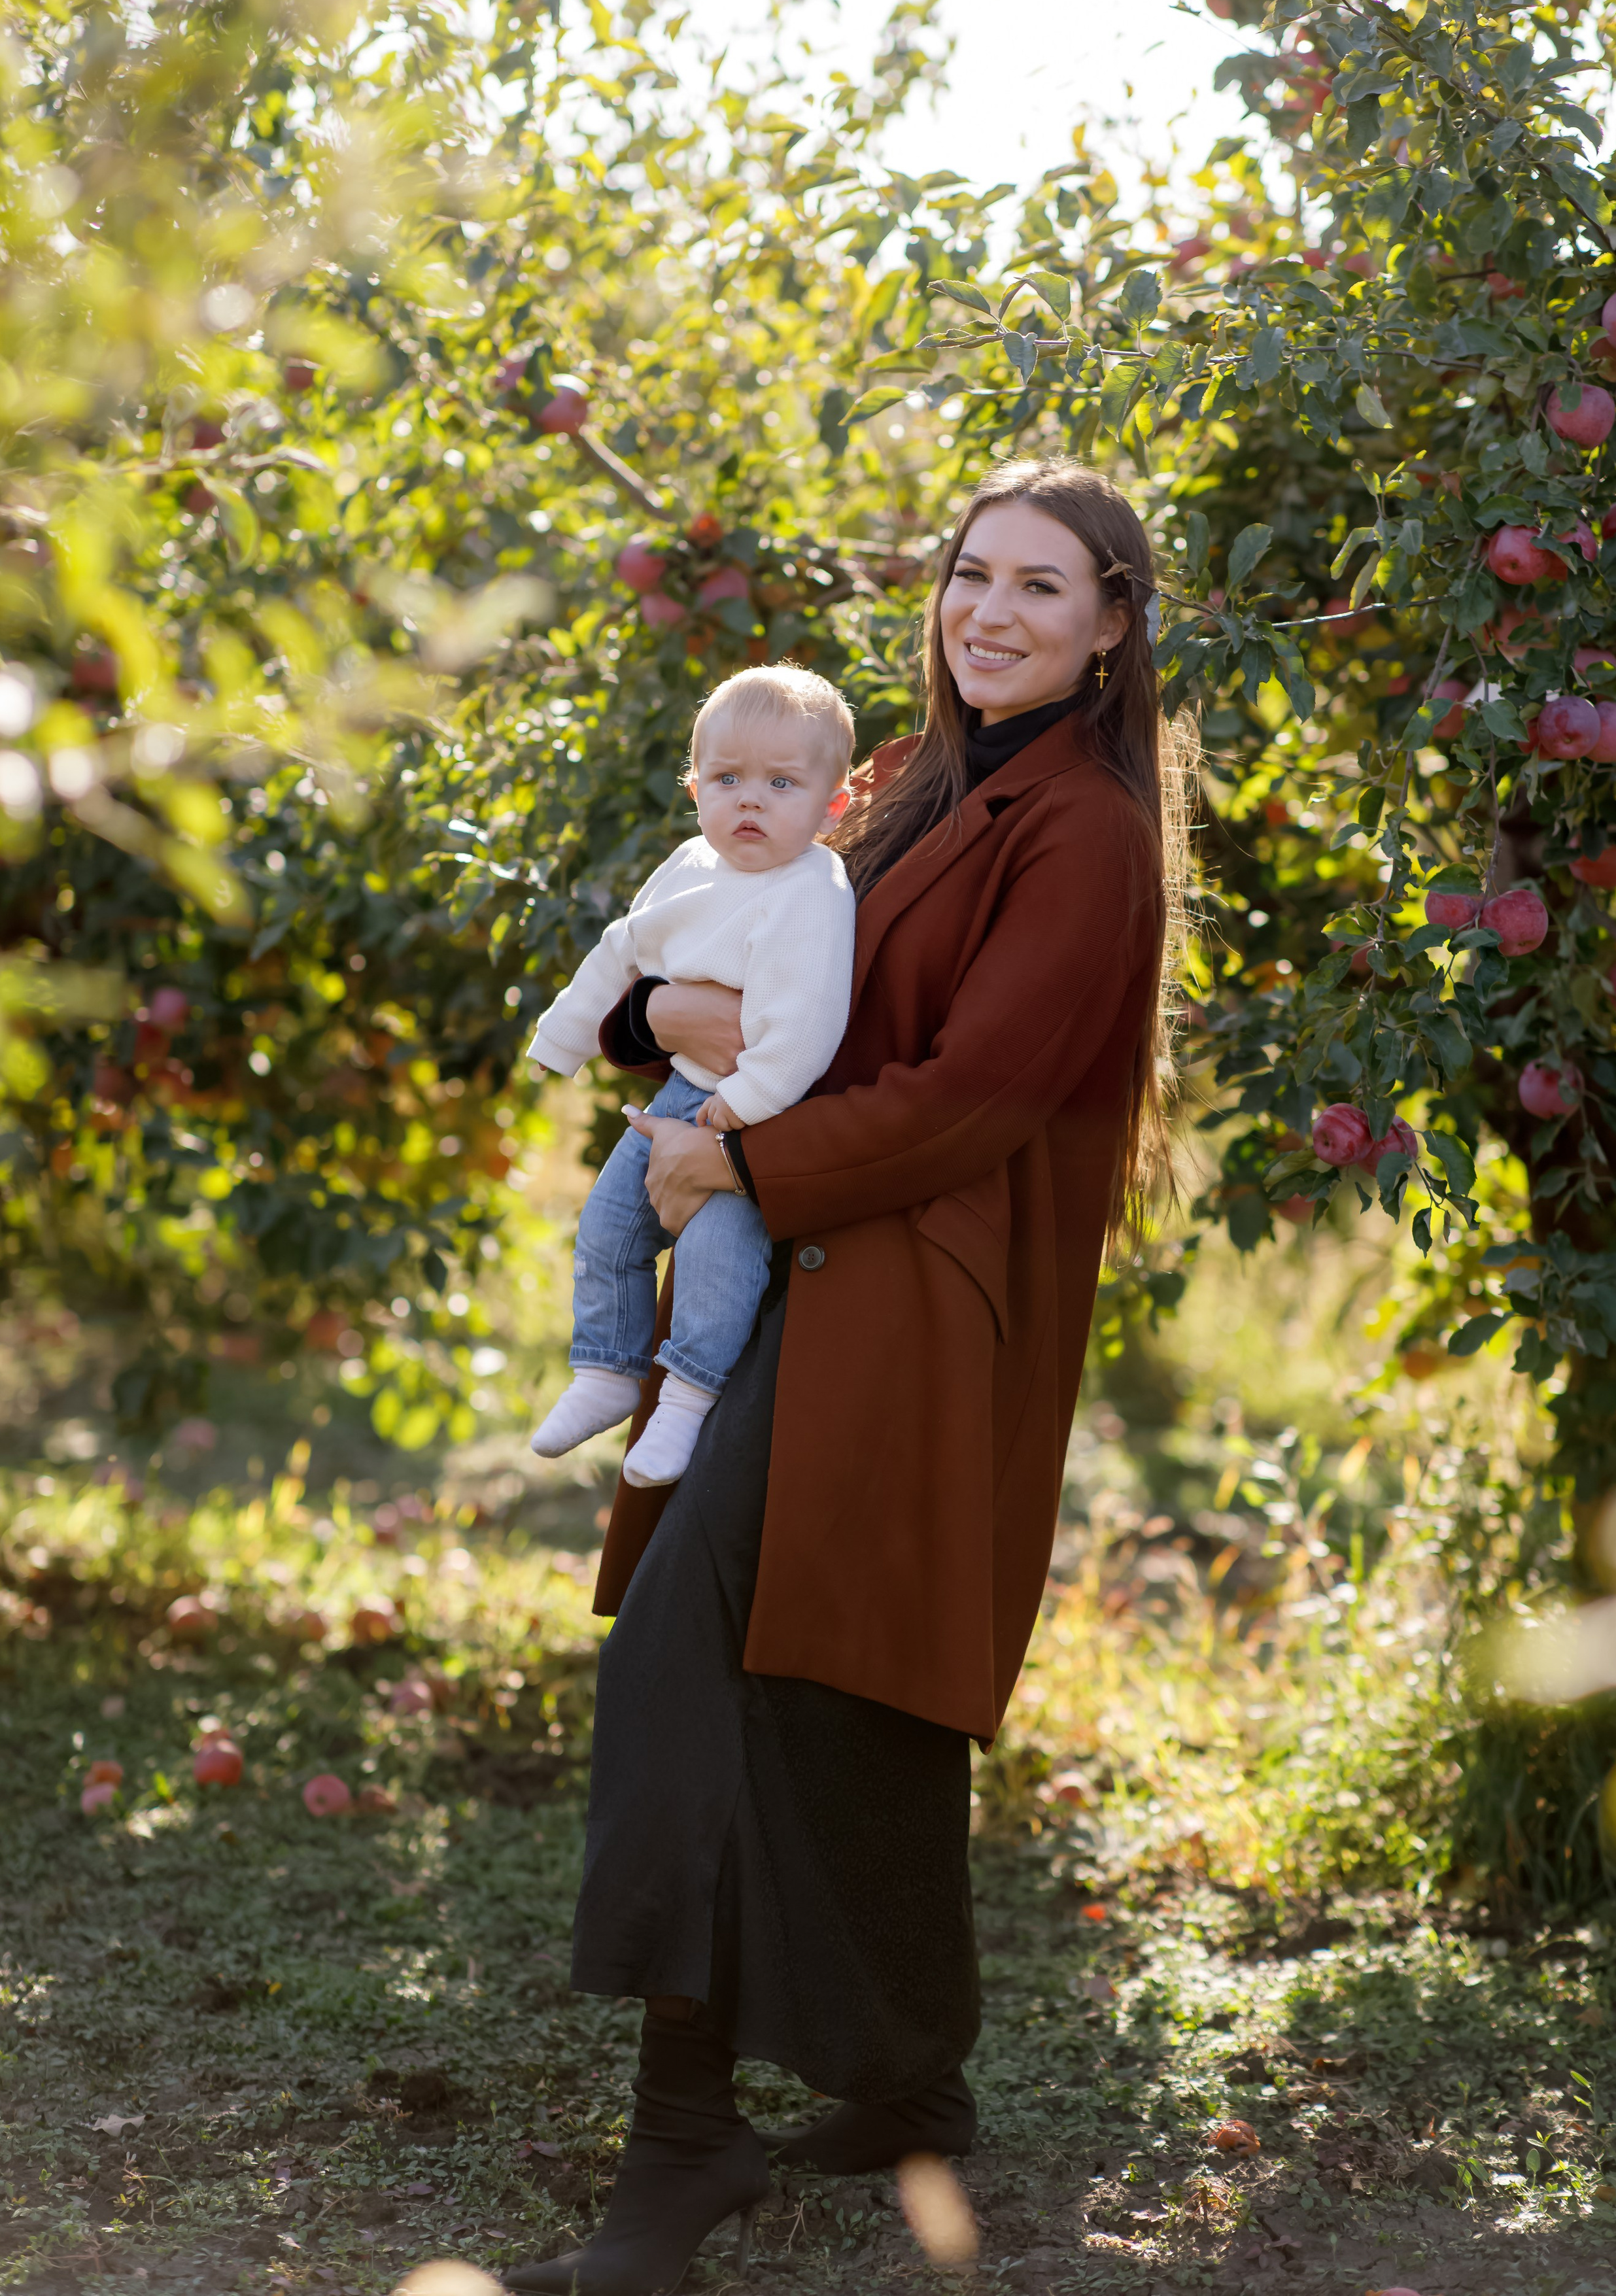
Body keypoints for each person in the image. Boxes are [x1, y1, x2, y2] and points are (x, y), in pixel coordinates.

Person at [502, 458, 1190, 2296]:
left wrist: (740, 1154)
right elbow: (719, 946)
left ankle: (682, 2142)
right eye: (975, 576)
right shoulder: (896, 779)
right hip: (798, 1255)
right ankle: (903, 2082)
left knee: (708, 1648)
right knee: (817, 1677)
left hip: (904, 1287)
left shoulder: (1086, 832)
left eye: (1046, 587)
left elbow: (972, 1093)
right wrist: (664, 1025)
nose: (995, 613)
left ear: (1114, 623)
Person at [524, 666, 857, 1487]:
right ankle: (605, 1370)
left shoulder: (814, 890)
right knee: (610, 1224)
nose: (750, 802)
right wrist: (561, 1039)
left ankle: (684, 1399)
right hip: (685, 1089)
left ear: (833, 803)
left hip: (765, 1109)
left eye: (782, 783)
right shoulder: (688, 865)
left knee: (717, 1252)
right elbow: (620, 953)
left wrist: (736, 1110)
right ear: (695, 787)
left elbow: (804, 1030)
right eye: (728, 780)